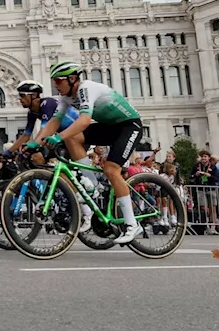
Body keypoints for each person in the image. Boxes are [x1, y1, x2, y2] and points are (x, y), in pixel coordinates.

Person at [34, 61, 145, 244]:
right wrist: (33, 144)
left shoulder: (86, 88)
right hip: (109, 127)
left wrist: (58, 137)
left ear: (72, 79)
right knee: (73, 138)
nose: (55, 85)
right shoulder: (65, 98)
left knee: (111, 170)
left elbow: (84, 121)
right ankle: (92, 185)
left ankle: (133, 225)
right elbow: (54, 121)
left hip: (129, 125)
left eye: (58, 81)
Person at [9, 78, 95, 231]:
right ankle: (58, 187)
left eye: (22, 96)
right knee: (49, 166)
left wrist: (32, 147)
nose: (20, 99)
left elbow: (44, 130)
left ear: (33, 95)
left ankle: (87, 210)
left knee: (39, 157)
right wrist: (7, 152)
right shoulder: (32, 112)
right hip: (62, 139)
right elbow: (25, 136)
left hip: (77, 137)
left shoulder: (47, 104)